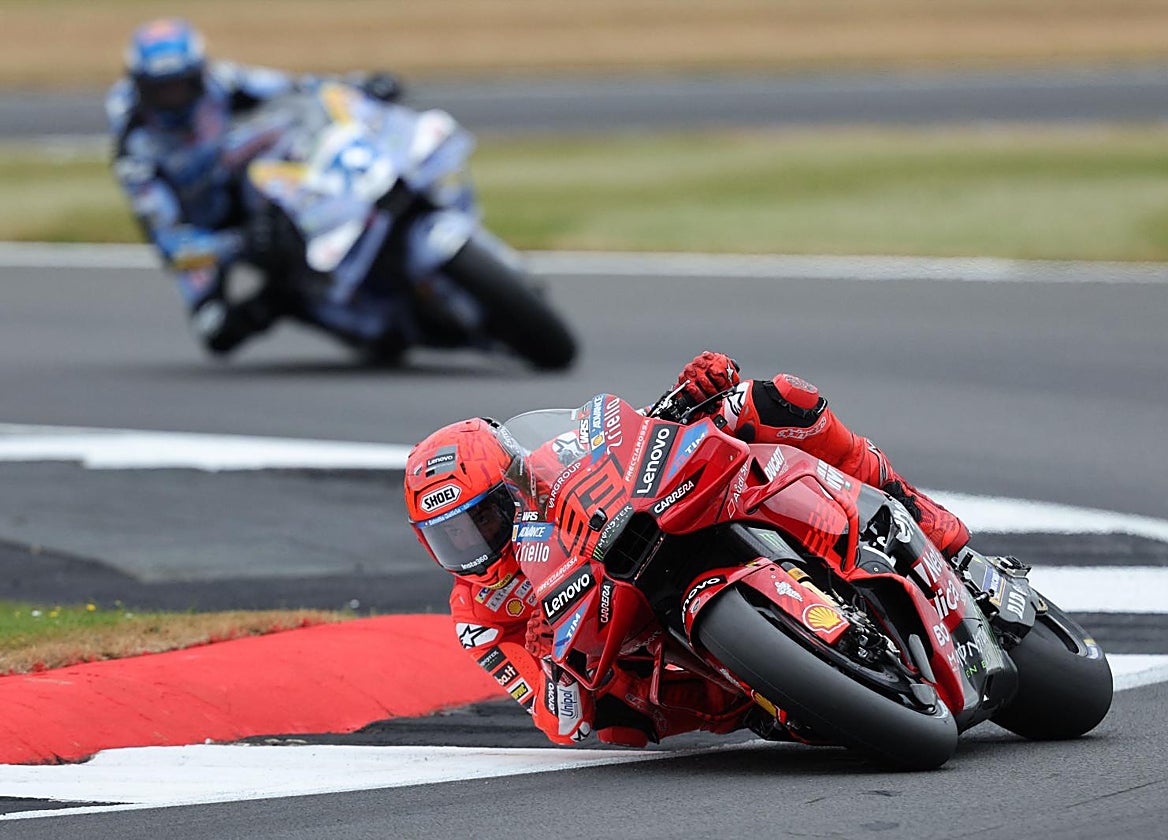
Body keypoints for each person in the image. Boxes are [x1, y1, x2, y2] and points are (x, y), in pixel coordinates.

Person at [403, 351, 975, 747]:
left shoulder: (551, 463)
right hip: (634, 650)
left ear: (515, 484)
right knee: (617, 723)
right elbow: (562, 721)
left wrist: (687, 397)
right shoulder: (480, 617)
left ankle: (910, 507)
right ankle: (765, 691)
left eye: (482, 519)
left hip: (654, 528)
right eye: (450, 537)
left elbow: (620, 440)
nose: (472, 545)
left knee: (772, 400)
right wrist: (554, 670)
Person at [106, 18, 403, 355]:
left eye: (180, 85)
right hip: (211, 229)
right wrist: (238, 243)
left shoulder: (221, 82)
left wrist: (360, 85)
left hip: (252, 191)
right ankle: (297, 304)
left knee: (290, 144)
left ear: (198, 75)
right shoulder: (135, 148)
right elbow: (172, 245)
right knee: (216, 330)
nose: (173, 98)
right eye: (161, 89)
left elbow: (296, 88)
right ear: (141, 87)